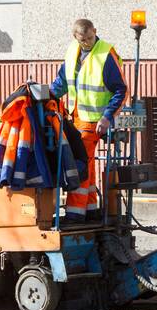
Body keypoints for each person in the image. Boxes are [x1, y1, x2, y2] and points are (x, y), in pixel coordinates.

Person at [49, 18, 128, 223]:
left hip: (93, 121)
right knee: (88, 165)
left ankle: (75, 213)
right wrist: (45, 94)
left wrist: (106, 117)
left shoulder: (104, 54)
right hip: (75, 119)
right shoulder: (71, 53)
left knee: (79, 165)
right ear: (75, 37)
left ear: (95, 31)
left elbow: (120, 90)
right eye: (83, 40)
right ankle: (90, 209)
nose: (87, 43)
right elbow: (61, 84)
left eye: (90, 38)